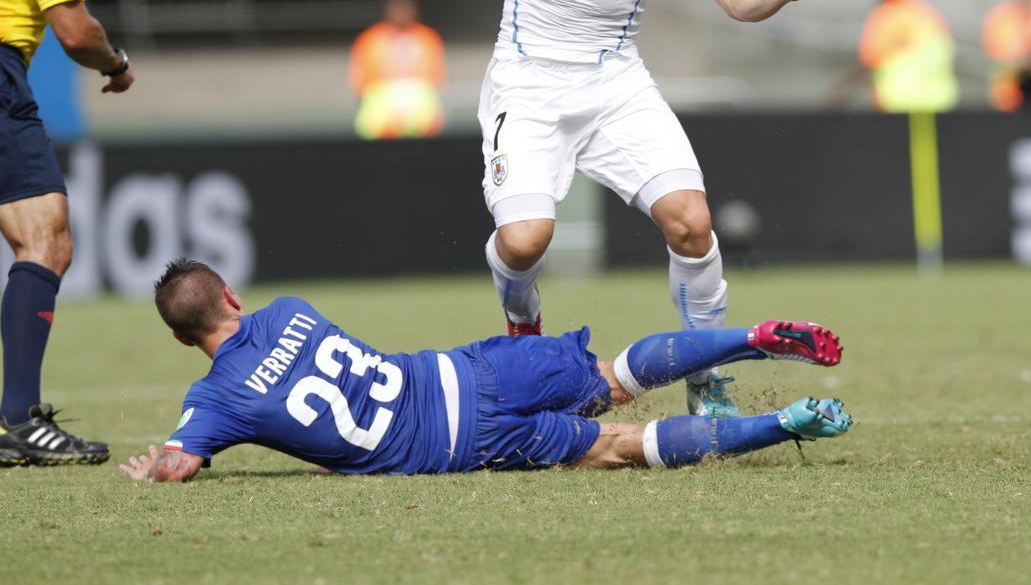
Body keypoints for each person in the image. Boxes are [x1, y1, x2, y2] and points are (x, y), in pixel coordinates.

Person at [380, 0, 827, 418]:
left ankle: (710, 379)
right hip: (526, 81)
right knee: (525, 242)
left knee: (692, 225)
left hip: (614, 83)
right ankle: (522, 329)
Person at [118, 259, 851, 482]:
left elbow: (182, 464)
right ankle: (748, 336)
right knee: (617, 371)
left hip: (458, 443)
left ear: (185, 340)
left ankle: (781, 425)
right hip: (469, 370)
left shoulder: (215, 397)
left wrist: (158, 467)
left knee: (621, 444)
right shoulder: (290, 311)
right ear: (233, 298)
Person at [0, 0, 135, 468]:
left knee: (39, 235)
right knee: (46, 239)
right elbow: (74, 30)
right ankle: (18, 421)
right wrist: (116, 62)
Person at [829, 0, 958, 113]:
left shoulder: (887, 15)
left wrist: (844, 88)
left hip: (899, 98)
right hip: (938, 99)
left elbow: (871, 59)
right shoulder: (926, 12)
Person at [348, 0, 446, 139]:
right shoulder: (370, 38)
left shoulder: (428, 37)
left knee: (426, 117)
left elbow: (435, 79)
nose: (401, 13)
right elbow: (359, 81)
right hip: (381, 93)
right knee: (373, 121)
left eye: (405, 9)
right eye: (396, 9)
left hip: (417, 93)